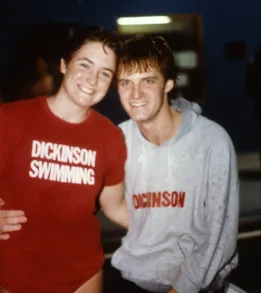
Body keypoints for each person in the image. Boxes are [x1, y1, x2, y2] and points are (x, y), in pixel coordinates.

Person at [0, 27, 129, 293]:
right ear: (63, 64)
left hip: (83, 277)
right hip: (13, 276)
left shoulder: (110, 136)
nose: (92, 80)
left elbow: (114, 206)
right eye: (84, 64)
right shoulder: (11, 119)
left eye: (105, 73)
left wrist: (172, 225)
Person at [110, 34, 239, 293]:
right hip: (137, 280)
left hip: (198, 286)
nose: (135, 94)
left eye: (148, 80)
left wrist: (180, 289)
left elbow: (220, 236)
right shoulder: (117, 139)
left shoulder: (212, 141)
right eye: (126, 82)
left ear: (168, 83)